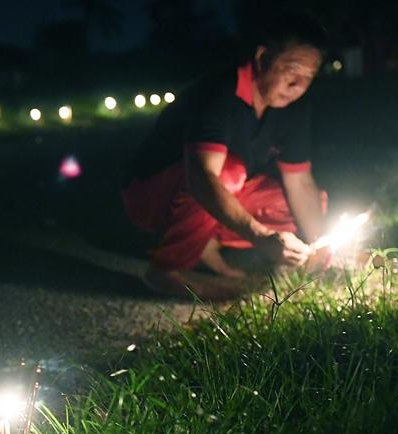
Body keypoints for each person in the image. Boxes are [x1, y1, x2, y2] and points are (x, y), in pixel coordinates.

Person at [122, 14, 330, 299]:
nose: (298, 86)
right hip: (151, 197)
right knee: (228, 173)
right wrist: (262, 236)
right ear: (263, 57)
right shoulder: (221, 91)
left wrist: (321, 246)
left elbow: (300, 183)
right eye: (292, 71)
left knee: (309, 201)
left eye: (308, 77)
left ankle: (204, 241)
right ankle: (166, 271)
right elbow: (202, 177)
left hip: (212, 191)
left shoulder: (293, 108)